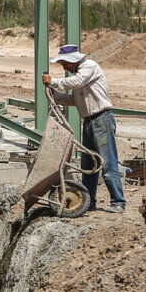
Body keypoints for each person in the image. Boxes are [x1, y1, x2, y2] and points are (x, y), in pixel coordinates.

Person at [42, 44, 126, 213]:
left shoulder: (89, 67)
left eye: (65, 63)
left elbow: (77, 82)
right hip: (89, 122)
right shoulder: (81, 75)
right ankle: (89, 202)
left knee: (107, 163)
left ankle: (118, 202)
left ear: (73, 60)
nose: (64, 67)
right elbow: (75, 100)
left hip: (101, 120)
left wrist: (55, 82)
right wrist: (55, 94)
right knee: (89, 165)